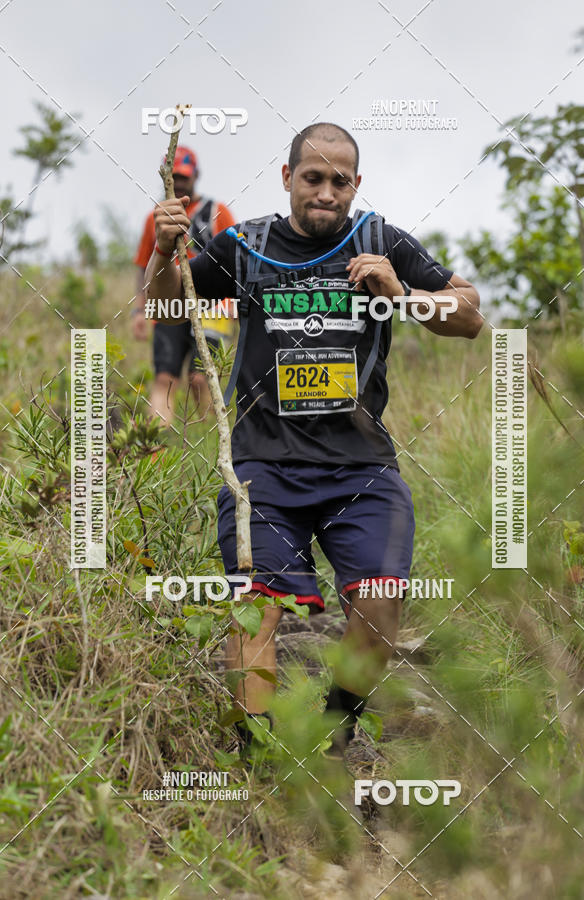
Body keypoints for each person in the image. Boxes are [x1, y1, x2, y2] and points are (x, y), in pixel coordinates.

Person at [146, 122, 481, 754]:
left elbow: (468, 315)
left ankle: (336, 730)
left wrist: (403, 293)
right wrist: (164, 254)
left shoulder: (380, 241)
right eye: (313, 178)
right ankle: (258, 756)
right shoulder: (246, 245)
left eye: (340, 181)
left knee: (381, 604)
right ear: (287, 178)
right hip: (263, 467)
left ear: (356, 184)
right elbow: (167, 303)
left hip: (361, 469)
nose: (327, 192)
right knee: (255, 606)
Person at [132, 146, 236, 425]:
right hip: (168, 306)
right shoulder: (155, 218)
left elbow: (236, 258)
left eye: (184, 177)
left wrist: (234, 303)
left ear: (196, 176)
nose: (178, 182)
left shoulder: (217, 212)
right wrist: (139, 310)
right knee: (164, 377)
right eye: (174, 176)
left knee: (201, 379)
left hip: (213, 307)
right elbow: (144, 266)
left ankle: (206, 437)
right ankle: (153, 441)